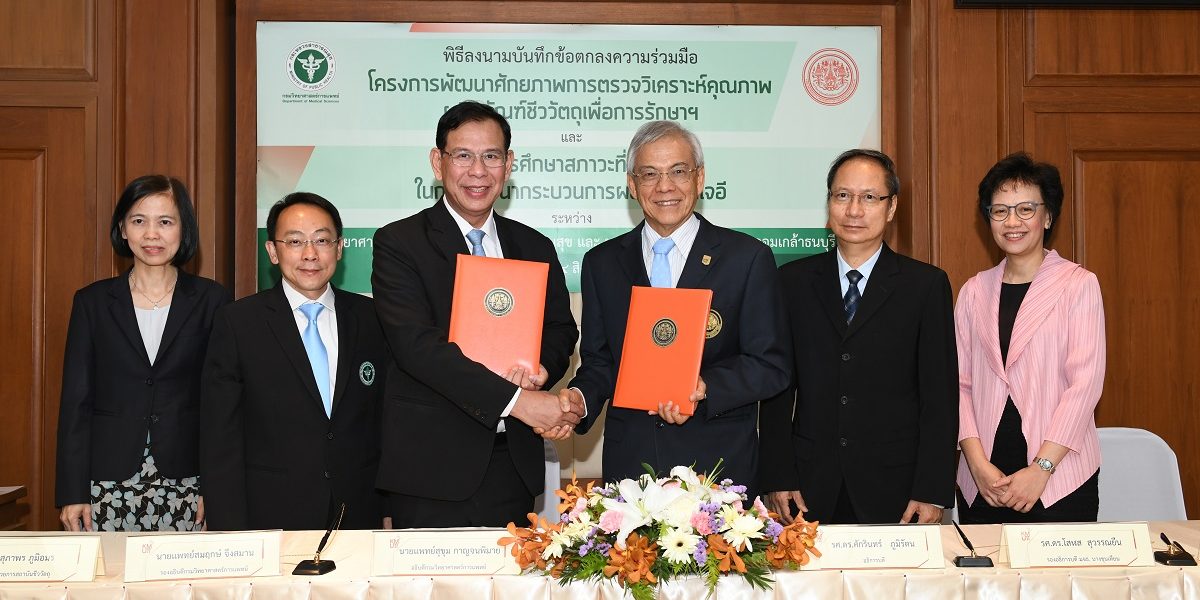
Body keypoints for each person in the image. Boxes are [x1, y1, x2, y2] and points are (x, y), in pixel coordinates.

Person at [371, 101, 580, 528]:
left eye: (491, 156)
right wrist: (519, 402)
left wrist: (538, 369)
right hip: (432, 468)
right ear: (438, 162)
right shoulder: (400, 243)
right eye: (463, 155)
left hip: (512, 465)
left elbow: (560, 328)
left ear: (509, 163)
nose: (478, 171)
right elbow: (417, 348)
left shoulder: (534, 246)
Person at [563, 120, 791, 493]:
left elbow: (771, 366)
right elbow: (600, 363)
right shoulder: (602, 263)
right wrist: (579, 399)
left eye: (678, 172)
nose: (664, 186)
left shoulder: (746, 259)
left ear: (699, 179)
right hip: (632, 467)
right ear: (632, 185)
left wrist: (705, 386)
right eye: (649, 174)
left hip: (718, 467)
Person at [759, 149, 958, 524]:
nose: (854, 210)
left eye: (869, 197)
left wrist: (931, 489)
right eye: (842, 196)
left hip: (897, 488)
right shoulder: (792, 282)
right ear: (829, 203)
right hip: (808, 486)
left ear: (891, 206)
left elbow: (939, 397)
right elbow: (777, 392)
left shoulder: (925, 286)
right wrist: (777, 475)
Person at [200, 193, 388, 530]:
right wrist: (228, 526)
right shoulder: (238, 323)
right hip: (270, 515)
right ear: (273, 251)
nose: (310, 253)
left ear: (340, 248)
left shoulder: (372, 318)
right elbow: (221, 435)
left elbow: (386, 422)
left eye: (322, 240)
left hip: (359, 513)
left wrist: (390, 508)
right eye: (295, 241)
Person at [55, 175, 231, 532]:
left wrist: (217, 486)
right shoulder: (92, 303)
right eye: (139, 221)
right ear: (123, 229)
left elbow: (222, 404)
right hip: (106, 482)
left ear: (184, 228)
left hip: (188, 480)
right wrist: (72, 491)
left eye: (165, 222)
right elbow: (76, 403)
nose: (152, 234)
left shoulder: (213, 300)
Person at [955, 153, 1104, 523]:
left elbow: (1084, 385)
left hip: (1058, 478)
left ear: (1047, 216)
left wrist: (1042, 468)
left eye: (1025, 209)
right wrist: (977, 465)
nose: (1012, 222)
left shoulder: (1078, 285)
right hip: (985, 482)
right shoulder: (973, 291)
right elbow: (958, 385)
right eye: (1000, 211)